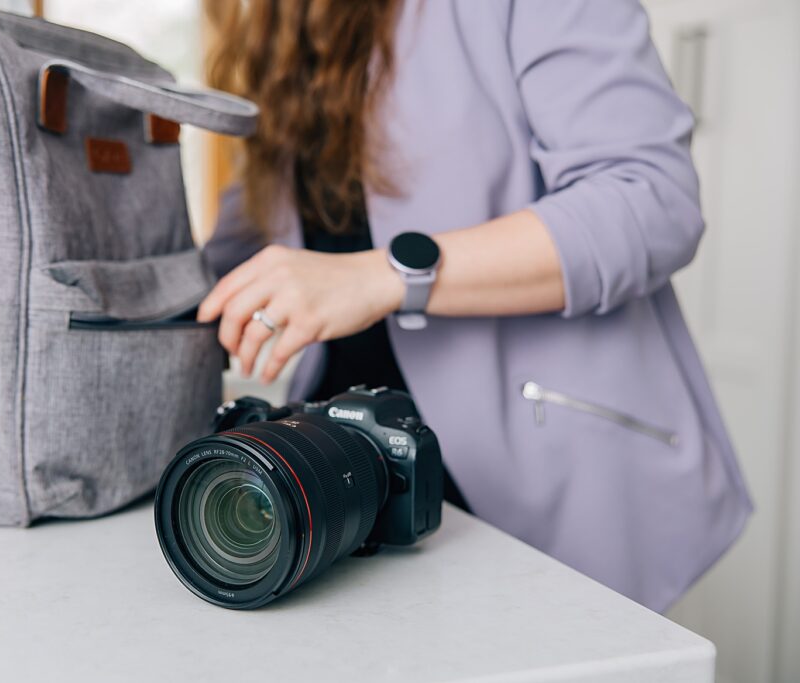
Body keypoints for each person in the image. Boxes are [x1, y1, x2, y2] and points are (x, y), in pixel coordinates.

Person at [196, 0, 751, 613]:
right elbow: (236, 255)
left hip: (537, 479)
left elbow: (651, 201)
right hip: (351, 480)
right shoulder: (278, 23)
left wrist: (382, 276)